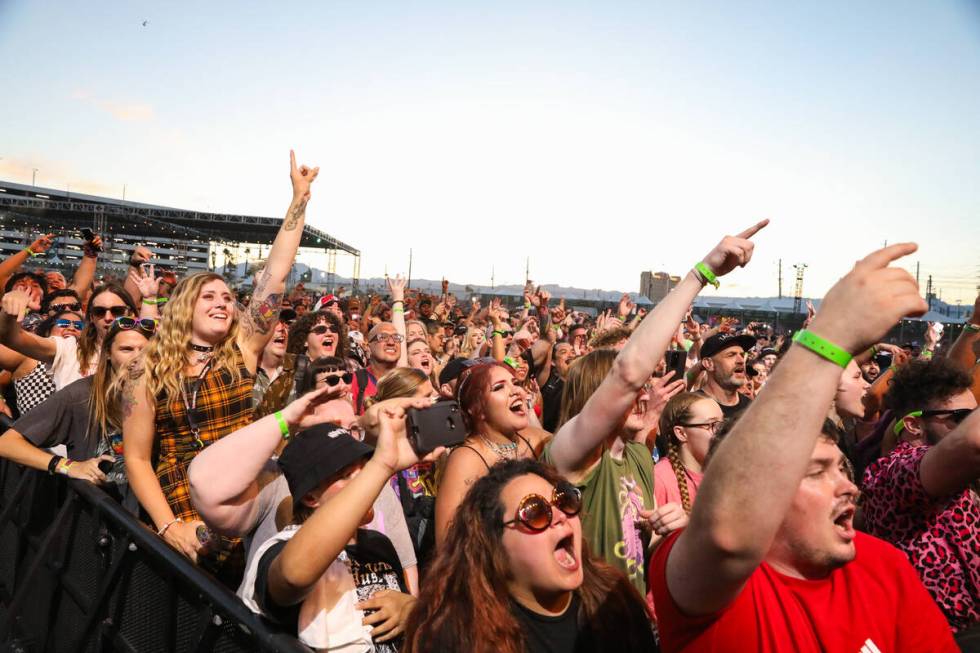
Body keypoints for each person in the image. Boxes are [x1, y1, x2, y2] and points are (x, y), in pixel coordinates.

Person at [648, 242, 958, 652]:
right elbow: (727, 532)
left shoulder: (884, 566)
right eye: (815, 472)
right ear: (764, 492)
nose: (849, 488)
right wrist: (829, 333)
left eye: (841, 470)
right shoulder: (709, 585)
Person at [123, 150, 318, 576]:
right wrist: (169, 525)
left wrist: (299, 198)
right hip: (180, 510)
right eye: (209, 296)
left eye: (227, 297)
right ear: (184, 308)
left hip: (246, 500)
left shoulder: (242, 350)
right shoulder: (147, 369)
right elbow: (137, 459)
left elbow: (276, 274)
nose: (222, 302)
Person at [544, 224, 766, 596]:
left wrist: (669, 530)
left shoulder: (637, 456)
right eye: (631, 389)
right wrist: (701, 274)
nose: (643, 391)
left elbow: (635, 551)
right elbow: (629, 372)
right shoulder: (571, 456)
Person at [238, 401, 445, 652]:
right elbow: (293, 575)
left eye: (364, 468)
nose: (364, 483)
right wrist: (381, 466)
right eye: (346, 475)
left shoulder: (378, 543)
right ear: (311, 498)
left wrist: (411, 610)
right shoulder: (279, 550)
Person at [404, 459, 656, 653]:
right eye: (535, 512)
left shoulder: (613, 601)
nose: (559, 516)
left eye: (565, 500)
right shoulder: (458, 635)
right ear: (494, 544)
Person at [861, 357, 979, 635]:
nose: (970, 425)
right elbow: (973, 443)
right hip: (944, 638)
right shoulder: (894, 471)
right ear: (913, 425)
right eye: (961, 418)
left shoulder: (949, 472)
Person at [0, 318, 154, 503]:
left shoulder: (162, 393)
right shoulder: (82, 394)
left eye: (145, 350)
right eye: (126, 349)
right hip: (100, 517)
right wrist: (68, 466)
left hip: (148, 518)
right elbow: (7, 443)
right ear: (107, 353)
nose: (138, 357)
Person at [434, 360, 549, 546]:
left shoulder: (536, 440)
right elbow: (448, 543)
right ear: (475, 408)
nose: (516, 391)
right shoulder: (466, 458)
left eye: (516, 383)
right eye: (498, 388)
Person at [0, 283, 138, 389]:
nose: (108, 317)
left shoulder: (145, 352)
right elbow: (10, 337)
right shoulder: (69, 349)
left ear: (131, 314)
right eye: (99, 311)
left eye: (117, 311)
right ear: (91, 316)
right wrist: (11, 306)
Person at [654, 393, 724, 514]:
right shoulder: (660, 479)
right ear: (681, 433)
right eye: (713, 425)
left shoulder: (724, 473)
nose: (723, 432)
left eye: (723, 424)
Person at [695, 332, 755, 418]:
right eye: (731, 355)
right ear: (708, 364)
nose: (741, 361)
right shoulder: (691, 407)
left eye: (742, 355)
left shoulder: (751, 407)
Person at [350, 322, 403, 415]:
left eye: (396, 337)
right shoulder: (355, 380)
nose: (391, 342)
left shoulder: (411, 379)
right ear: (368, 346)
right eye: (382, 337)